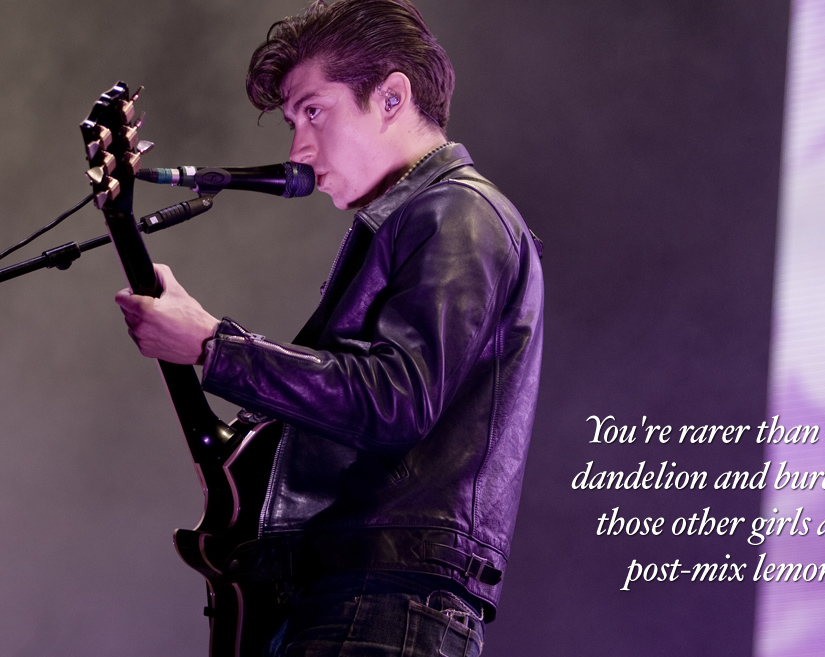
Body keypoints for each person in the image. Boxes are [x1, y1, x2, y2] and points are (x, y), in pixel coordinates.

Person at [114, 0, 543, 655]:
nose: (298, 150)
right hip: (354, 599)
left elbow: (397, 399)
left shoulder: (457, 211)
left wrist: (213, 345)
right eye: (293, 122)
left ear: (392, 96)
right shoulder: (416, 219)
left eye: (313, 111)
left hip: (383, 605)